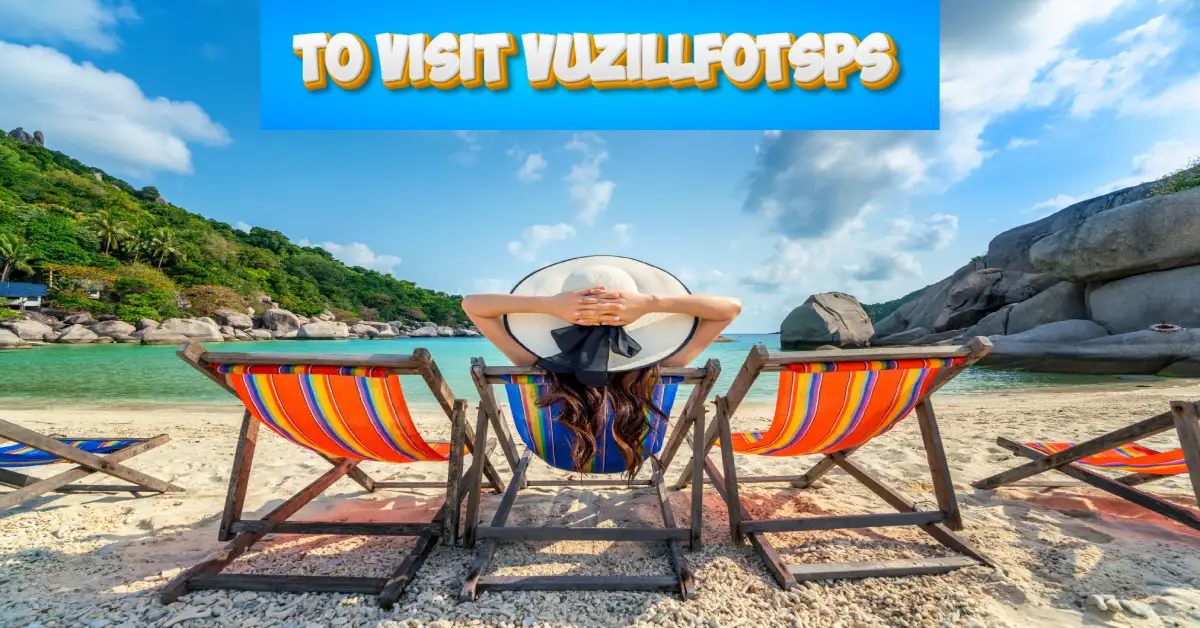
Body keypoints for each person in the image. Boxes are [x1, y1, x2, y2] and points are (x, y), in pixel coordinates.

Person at [463, 256, 741, 478]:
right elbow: (731, 308)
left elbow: (472, 304)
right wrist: (650, 303)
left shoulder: (530, 361)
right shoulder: (665, 365)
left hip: (555, 454)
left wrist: (550, 305)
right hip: (633, 453)